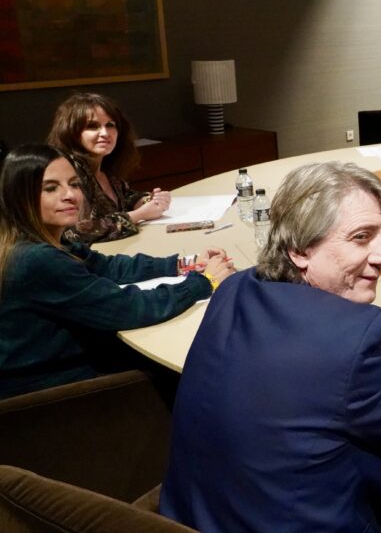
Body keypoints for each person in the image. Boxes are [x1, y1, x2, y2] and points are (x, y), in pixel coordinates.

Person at [161, 161, 381, 533]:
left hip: (191, 517)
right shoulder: (355, 338)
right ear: (300, 250)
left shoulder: (234, 288)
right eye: (361, 237)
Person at [0, 144, 233, 399]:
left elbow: (107, 266)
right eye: (51, 188)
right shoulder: (36, 258)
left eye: (74, 184)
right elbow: (127, 308)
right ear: (19, 197)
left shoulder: (42, 240)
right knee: (205, 368)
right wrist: (204, 282)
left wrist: (186, 263)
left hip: (65, 365)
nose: (70, 195)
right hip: (50, 391)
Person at [47, 92, 170, 245]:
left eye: (110, 125)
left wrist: (148, 200)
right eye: (92, 126)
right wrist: (139, 214)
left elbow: (125, 197)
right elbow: (71, 232)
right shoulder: (67, 172)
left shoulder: (106, 168)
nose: (105, 133)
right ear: (71, 132)